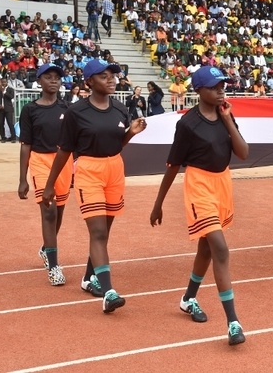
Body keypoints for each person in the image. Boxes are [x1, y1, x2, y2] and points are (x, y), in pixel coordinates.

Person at [150, 66, 249, 346]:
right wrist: (158, 204)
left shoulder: (225, 114)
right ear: (199, 91)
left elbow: (243, 153)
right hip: (199, 186)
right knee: (219, 247)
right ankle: (233, 323)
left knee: (206, 247)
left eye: (223, 86)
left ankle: (188, 298)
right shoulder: (188, 124)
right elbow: (173, 165)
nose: (221, 91)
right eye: (215, 87)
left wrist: (228, 120)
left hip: (222, 184)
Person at [41, 59, 147, 313]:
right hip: (88, 170)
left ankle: (90, 279)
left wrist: (130, 133)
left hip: (114, 169)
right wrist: (50, 185)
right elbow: (65, 151)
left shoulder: (121, 109)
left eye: (113, 75)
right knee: (97, 231)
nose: (111, 79)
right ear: (89, 82)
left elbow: (116, 144)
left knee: (105, 230)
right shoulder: (77, 112)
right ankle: (109, 291)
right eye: (103, 76)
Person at [18, 64, 73, 285]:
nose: (53, 81)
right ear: (39, 81)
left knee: (58, 213)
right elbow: (25, 145)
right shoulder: (30, 110)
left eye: (57, 78)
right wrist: (23, 179)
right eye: (48, 77)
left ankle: (45, 248)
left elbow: (73, 142)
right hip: (40, 161)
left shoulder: (67, 108)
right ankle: (54, 267)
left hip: (63, 162)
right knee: (48, 212)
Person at [0, 78, 16, 143]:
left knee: (10, 123)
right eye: (2, 82)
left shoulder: (10, 89)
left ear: (7, 82)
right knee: (1, 124)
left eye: (4, 82)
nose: (3, 83)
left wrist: (4, 91)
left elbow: (11, 97)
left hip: (8, 109)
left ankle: (13, 137)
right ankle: (3, 138)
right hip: (0, 109)